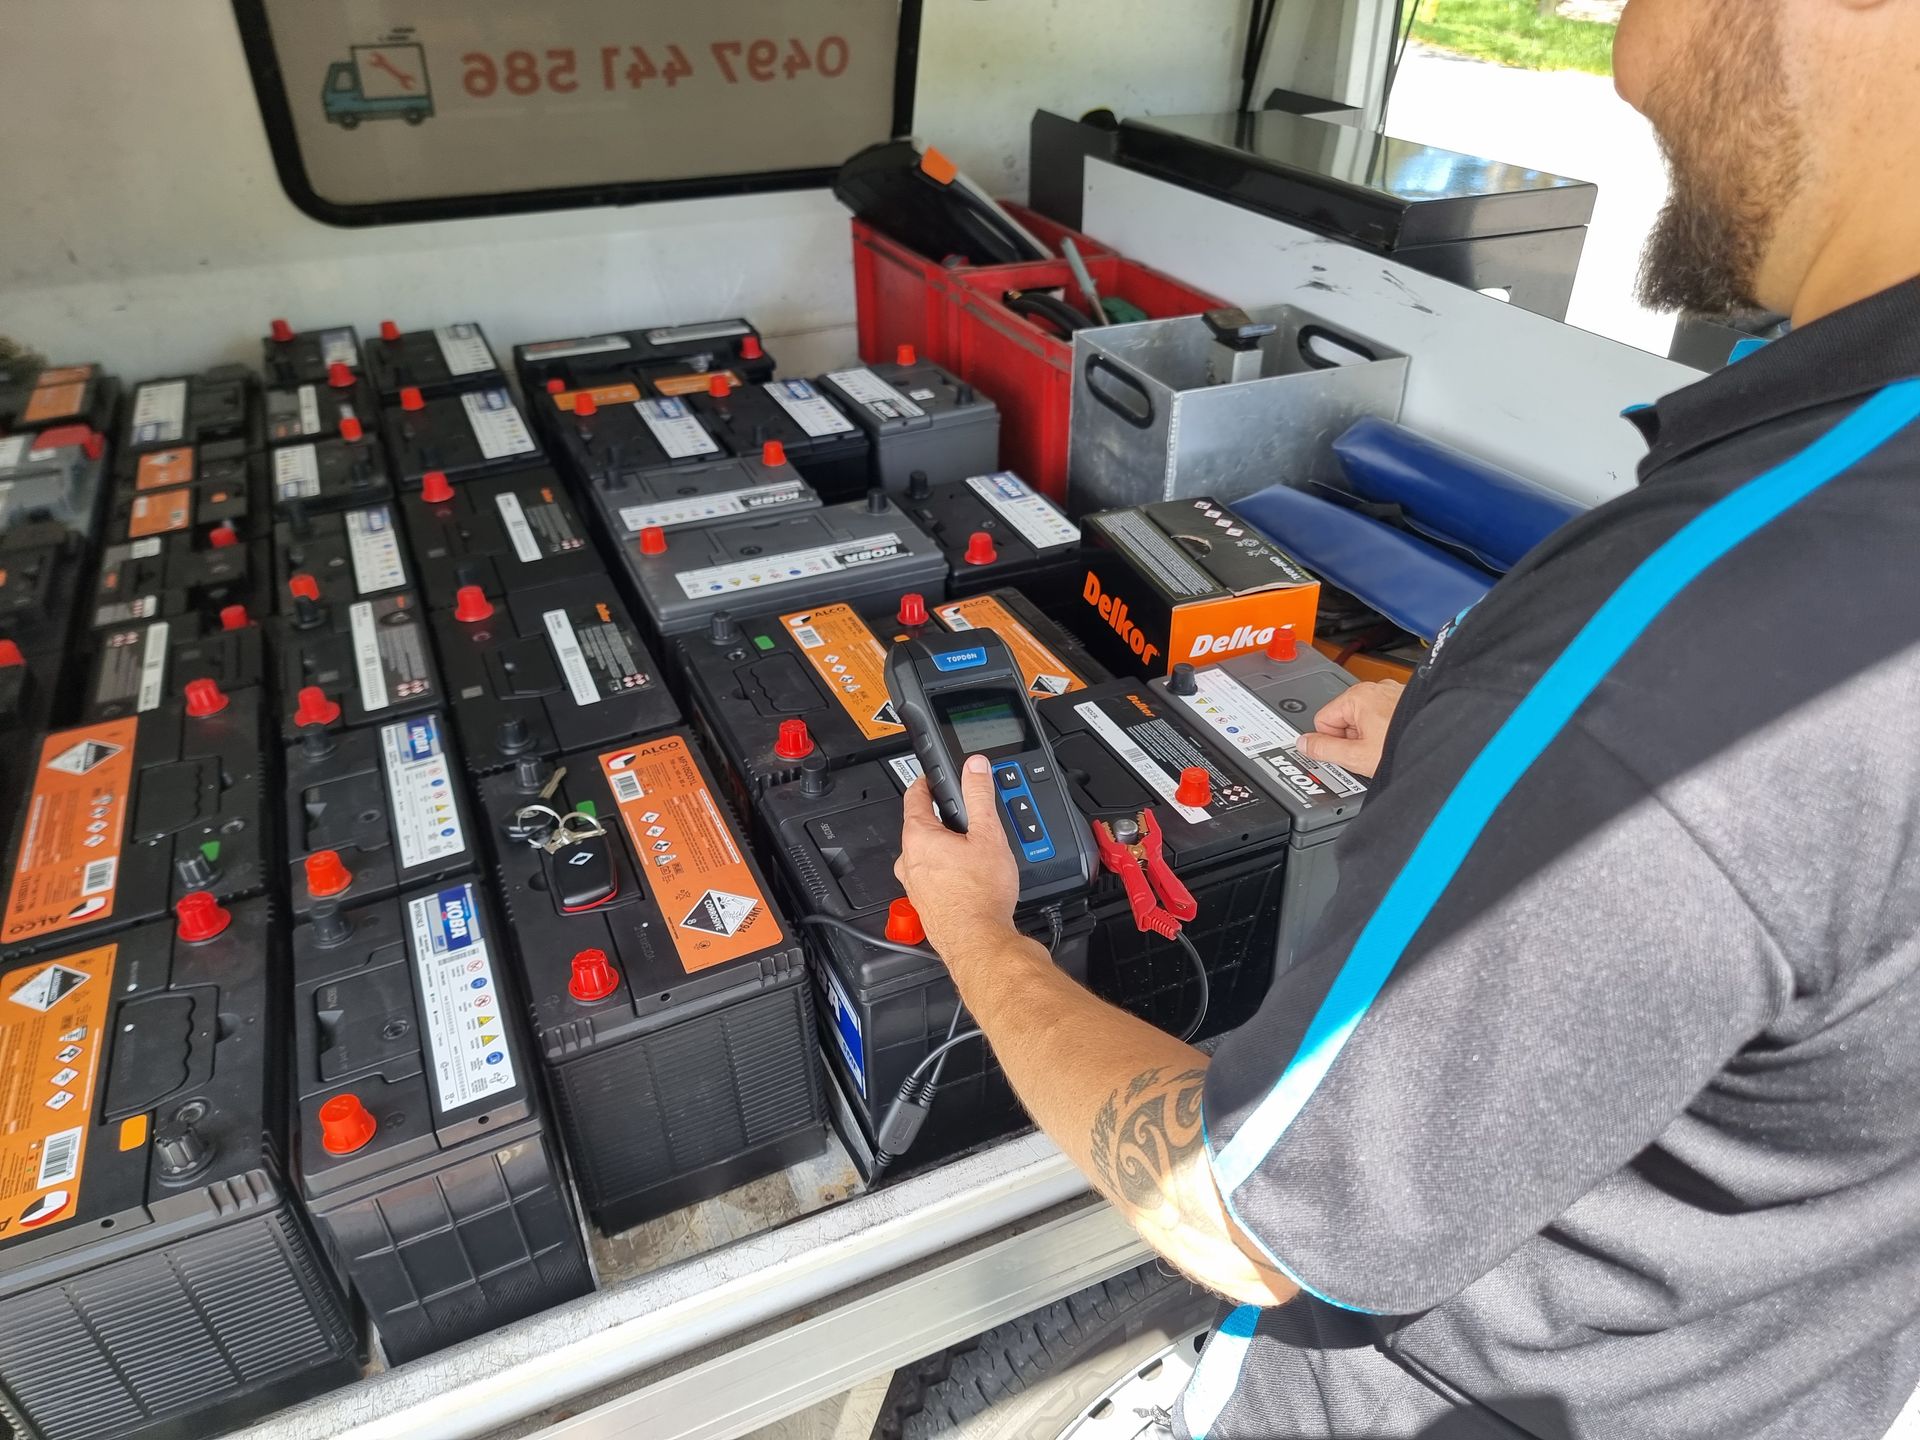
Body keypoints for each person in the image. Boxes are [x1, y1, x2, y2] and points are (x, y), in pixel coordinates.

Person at [892, 0, 1920, 1433]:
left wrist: (977, 939)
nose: (1625, 64)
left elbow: (1243, 1215)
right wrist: (1497, 764)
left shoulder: (1713, 626)